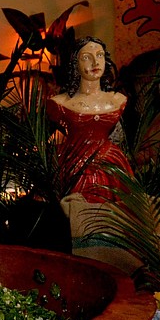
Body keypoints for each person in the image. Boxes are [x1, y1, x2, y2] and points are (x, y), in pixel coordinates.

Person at [47, 36, 134, 203]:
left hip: (111, 163)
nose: (95, 62)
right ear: (75, 64)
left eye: (100, 55)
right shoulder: (59, 103)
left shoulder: (119, 100)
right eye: (87, 57)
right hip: (74, 165)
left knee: (118, 212)